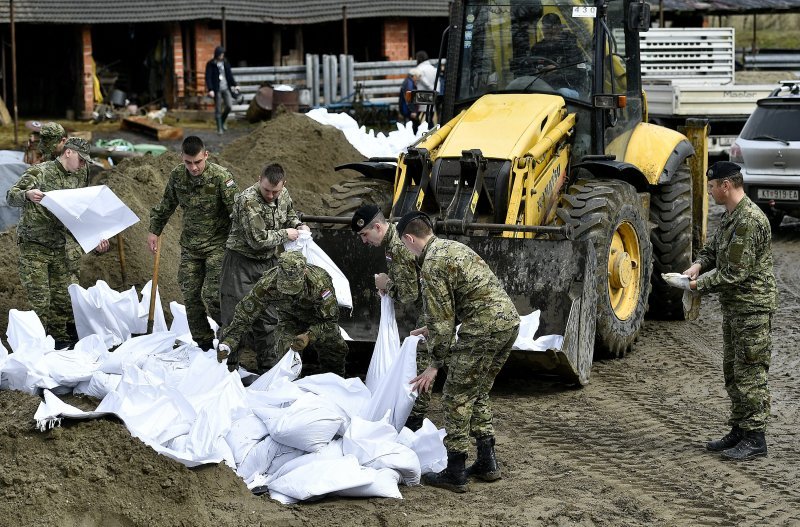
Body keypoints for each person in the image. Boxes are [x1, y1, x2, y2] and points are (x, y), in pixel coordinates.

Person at [663, 161, 777, 460]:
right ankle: (740, 429)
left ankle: (755, 438)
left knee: (750, 372)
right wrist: (698, 264)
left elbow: (734, 272)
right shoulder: (732, 216)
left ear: (726, 185)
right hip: (736, 308)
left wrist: (694, 286)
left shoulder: (749, 220)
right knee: (734, 371)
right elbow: (713, 250)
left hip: (752, 308)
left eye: (712, 187)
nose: (710, 192)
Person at [399, 211, 520, 493]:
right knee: (476, 391)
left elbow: (443, 319)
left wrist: (434, 363)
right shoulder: (454, 247)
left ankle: (455, 471)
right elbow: (463, 300)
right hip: (508, 323)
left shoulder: (431, 263)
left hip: (482, 329)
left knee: (456, 395)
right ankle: (487, 463)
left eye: (405, 246)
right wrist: (432, 328)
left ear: (409, 238)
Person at [6, 138, 109, 348]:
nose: (83, 165)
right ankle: (37, 346)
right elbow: (10, 196)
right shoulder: (39, 172)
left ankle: (60, 343)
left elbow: (80, 211)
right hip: (34, 246)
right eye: (81, 160)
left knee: (62, 300)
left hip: (59, 247)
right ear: (68, 152)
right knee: (41, 301)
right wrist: (26, 195)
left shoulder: (79, 176)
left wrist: (95, 236)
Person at [147, 135, 238, 351]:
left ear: (206, 155)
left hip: (218, 245)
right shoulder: (178, 176)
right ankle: (204, 343)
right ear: (182, 158)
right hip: (190, 247)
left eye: (198, 162)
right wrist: (154, 230)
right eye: (188, 162)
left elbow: (237, 212)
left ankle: (232, 333)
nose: (194, 167)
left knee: (212, 294)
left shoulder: (221, 178)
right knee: (190, 295)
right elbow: (166, 204)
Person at [220, 163, 310, 373]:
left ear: (283, 185)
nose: (270, 195)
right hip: (240, 264)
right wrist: (285, 234)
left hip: (268, 264)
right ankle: (228, 371)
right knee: (236, 319)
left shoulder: (283, 194)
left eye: (275, 191)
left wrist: (298, 225)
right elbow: (257, 240)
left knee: (269, 318)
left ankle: (267, 371)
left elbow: (289, 215)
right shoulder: (247, 200)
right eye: (267, 190)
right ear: (259, 179)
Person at [351, 204, 426, 430]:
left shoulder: (398, 246)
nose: (364, 241)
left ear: (377, 227)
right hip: (430, 305)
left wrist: (388, 285)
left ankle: (414, 421)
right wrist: (388, 286)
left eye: (365, 235)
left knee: (421, 361)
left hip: (433, 308)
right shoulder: (393, 242)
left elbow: (410, 293)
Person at [217, 250, 348, 378]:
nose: (289, 292)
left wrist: (309, 335)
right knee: (285, 355)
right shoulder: (267, 284)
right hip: (289, 320)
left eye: (293, 287)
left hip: (319, 321)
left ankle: (333, 384)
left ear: (304, 272)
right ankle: (291, 388)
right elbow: (244, 315)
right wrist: (229, 342)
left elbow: (330, 321)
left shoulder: (320, 282)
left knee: (334, 347)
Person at [528, 13, 587, 96]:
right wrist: (537, 71)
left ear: (559, 28)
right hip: (542, 87)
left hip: (568, 88)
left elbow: (579, 75)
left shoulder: (571, 48)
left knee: (562, 93)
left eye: (552, 31)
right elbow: (527, 69)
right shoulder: (537, 48)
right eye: (546, 29)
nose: (548, 32)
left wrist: (557, 70)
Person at [205, 46, 239, 134]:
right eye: (221, 54)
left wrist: (235, 85)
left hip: (226, 87)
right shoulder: (211, 64)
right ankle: (219, 128)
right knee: (218, 108)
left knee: (229, 106)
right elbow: (208, 77)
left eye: (223, 54)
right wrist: (210, 89)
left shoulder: (225, 62)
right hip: (217, 89)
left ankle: (223, 121)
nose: (222, 56)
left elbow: (229, 75)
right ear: (217, 54)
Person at [399, 68, 421, 133]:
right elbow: (409, 99)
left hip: (407, 109)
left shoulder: (408, 82)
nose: (418, 78)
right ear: (413, 76)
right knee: (414, 127)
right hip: (408, 110)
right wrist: (413, 111)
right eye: (417, 76)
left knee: (413, 125)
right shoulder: (409, 84)